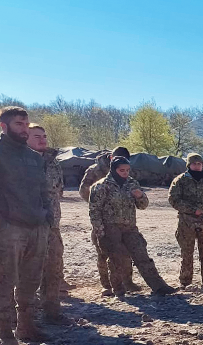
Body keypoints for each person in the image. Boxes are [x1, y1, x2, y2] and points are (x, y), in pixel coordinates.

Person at [0, 107, 53, 345]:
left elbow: (43, 190)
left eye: (26, 124)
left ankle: (27, 327)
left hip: (36, 226)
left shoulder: (33, 157)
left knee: (31, 280)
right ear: (4, 126)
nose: (24, 129)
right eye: (19, 124)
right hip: (9, 228)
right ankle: (4, 331)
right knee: (5, 280)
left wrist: (47, 218)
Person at [88, 157, 176, 298]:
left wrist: (140, 196)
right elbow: (94, 211)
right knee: (117, 259)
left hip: (130, 227)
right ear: (113, 169)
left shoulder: (132, 183)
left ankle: (159, 286)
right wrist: (100, 231)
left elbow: (143, 206)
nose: (125, 173)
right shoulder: (101, 186)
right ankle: (118, 289)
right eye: (122, 170)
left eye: (127, 170)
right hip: (110, 228)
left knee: (142, 255)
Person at [26, 123, 70, 324]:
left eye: (44, 136)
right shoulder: (15, 160)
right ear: (25, 137)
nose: (42, 140)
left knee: (53, 268)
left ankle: (52, 311)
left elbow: (59, 191)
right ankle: (23, 316)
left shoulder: (53, 162)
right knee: (24, 270)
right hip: (24, 225)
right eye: (37, 136)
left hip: (51, 225)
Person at [81, 146, 137, 295]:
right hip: (103, 219)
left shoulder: (125, 168)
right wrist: (101, 201)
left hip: (123, 219)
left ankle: (127, 282)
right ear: (111, 157)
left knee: (125, 251)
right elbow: (83, 190)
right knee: (104, 252)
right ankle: (106, 284)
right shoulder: (95, 170)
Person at [168, 154, 203, 288]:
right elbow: (173, 199)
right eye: (194, 164)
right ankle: (185, 281)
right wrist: (193, 210)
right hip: (187, 222)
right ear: (189, 165)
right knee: (187, 252)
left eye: (199, 164)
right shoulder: (180, 180)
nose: (197, 166)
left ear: (202, 165)